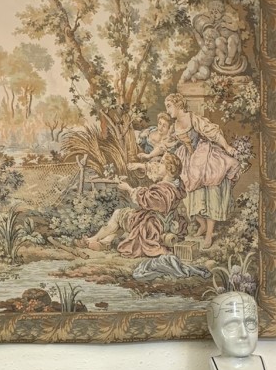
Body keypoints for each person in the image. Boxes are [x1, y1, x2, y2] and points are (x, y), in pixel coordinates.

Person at [158, 93, 240, 249]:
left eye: (169, 106)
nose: (167, 110)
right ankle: (202, 225)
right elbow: (168, 143)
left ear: (178, 104)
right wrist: (153, 154)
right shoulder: (174, 127)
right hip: (187, 159)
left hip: (203, 157)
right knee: (190, 195)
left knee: (211, 194)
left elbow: (213, 133)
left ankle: (209, 234)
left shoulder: (193, 118)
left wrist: (227, 147)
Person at [84, 152, 184, 257]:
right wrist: (140, 166)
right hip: (165, 222)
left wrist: (128, 188)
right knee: (125, 218)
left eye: (162, 162)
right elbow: (155, 171)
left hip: (152, 224)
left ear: (169, 169)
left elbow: (147, 199)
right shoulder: (176, 184)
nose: (158, 165)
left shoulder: (164, 190)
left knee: (118, 214)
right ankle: (105, 242)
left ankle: (93, 238)